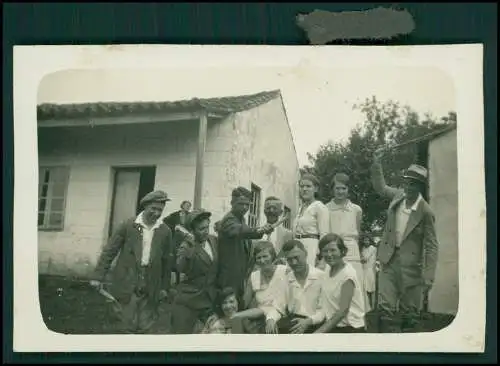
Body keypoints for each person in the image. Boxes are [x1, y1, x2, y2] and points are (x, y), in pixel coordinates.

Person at [371, 148, 439, 333]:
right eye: (407, 183)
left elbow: (432, 246)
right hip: (389, 260)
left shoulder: (426, 212)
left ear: (420, 187)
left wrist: (428, 276)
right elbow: (380, 187)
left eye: (414, 185)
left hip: (412, 268)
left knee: (410, 316)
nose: (409, 188)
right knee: (385, 312)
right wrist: (376, 163)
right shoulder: (398, 196)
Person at [90, 190, 174, 334]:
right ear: (145, 207)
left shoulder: (165, 231)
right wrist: (98, 276)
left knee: (146, 325)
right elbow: (110, 251)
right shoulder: (128, 226)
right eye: (153, 209)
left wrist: (164, 287)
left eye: (160, 210)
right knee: (125, 322)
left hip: (151, 282)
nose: (156, 213)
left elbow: (167, 261)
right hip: (128, 279)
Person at [216, 187, 274, 308]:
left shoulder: (240, 219)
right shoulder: (229, 220)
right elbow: (239, 231)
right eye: (241, 204)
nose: (245, 208)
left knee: (237, 303)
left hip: (239, 273)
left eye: (247, 205)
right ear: (232, 203)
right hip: (229, 274)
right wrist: (260, 230)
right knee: (228, 305)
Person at [169, 209, 219, 334]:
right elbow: (180, 267)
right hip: (189, 299)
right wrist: (190, 248)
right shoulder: (186, 246)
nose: (206, 231)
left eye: (207, 227)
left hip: (209, 298)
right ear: (192, 231)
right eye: (201, 229)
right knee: (182, 337)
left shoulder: (213, 240)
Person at [325, 172, 368, 311]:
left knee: (355, 284)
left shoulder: (356, 209)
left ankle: (358, 320)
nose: (340, 191)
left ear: (348, 190)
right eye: (337, 188)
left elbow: (358, 232)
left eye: (344, 188)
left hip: (352, 250)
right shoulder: (326, 208)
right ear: (332, 189)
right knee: (335, 283)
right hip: (333, 249)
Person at [265, 240, 326, 334]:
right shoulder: (286, 278)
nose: (294, 262)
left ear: (305, 254)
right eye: (289, 259)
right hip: (293, 321)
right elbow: (278, 306)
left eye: (297, 257)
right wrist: (271, 319)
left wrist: (308, 322)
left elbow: (323, 311)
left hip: (315, 323)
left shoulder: (321, 277)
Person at [314, 234, 366, 333]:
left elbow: (342, 312)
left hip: (351, 329)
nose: (329, 254)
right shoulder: (328, 269)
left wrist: (318, 333)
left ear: (342, 251)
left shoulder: (348, 274)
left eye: (333, 250)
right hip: (334, 325)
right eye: (325, 251)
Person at [233, 241, 288, 333]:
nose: (262, 260)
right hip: (260, 316)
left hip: (282, 316)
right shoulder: (254, 276)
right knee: (236, 320)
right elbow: (244, 302)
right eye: (258, 257)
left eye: (265, 256)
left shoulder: (284, 271)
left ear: (272, 256)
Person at [293, 174, 330, 268]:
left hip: (312, 248)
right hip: (297, 247)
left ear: (316, 189)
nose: (304, 189)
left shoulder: (320, 207)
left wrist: (320, 256)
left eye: (308, 186)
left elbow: (324, 234)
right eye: (302, 186)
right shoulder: (300, 208)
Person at [163, 200, 192, 285]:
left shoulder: (190, 216)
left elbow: (193, 226)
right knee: (174, 257)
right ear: (182, 206)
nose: (187, 207)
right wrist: (174, 227)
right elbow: (165, 221)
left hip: (185, 239)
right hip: (176, 239)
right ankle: (175, 279)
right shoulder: (175, 215)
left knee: (183, 257)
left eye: (189, 206)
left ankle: (183, 279)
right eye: (186, 205)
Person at [260, 196, 293, 264]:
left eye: (275, 208)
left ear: (280, 212)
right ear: (264, 211)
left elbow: (290, 257)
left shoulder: (287, 234)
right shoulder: (258, 232)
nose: (271, 211)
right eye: (268, 208)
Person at [360, 234, 378, 310]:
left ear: (370, 241)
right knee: (365, 289)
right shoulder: (363, 248)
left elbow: (365, 259)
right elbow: (363, 259)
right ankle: (368, 306)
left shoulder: (373, 248)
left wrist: (359, 259)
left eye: (367, 240)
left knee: (372, 289)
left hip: (370, 270)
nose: (366, 242)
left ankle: (373, 306)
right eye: (365, 240)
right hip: (364, 269)